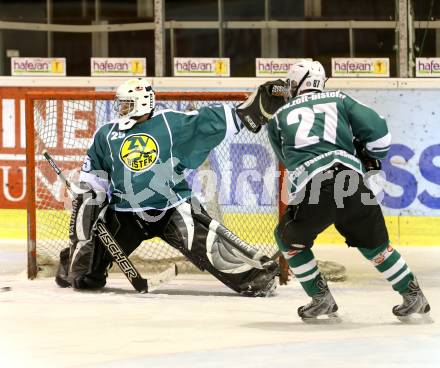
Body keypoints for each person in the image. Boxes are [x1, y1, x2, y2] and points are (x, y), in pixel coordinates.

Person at [55, 77, 280, 296]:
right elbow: (94, 181)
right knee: (84, 278)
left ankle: (253, 275)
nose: (121, 109)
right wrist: (87, 209)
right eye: (121, 104)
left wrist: (247, 112)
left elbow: (205, 123)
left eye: (127, 104)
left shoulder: (169, 123)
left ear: (142, 103)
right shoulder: (106, 134)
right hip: (125, 213)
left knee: (210, 247)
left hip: (172, 206)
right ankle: (71, 260)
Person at [244, 59, 431, 322]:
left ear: (297, 84)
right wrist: (367, 155)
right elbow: (380, 135)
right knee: (377, 246)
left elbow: (287, 160)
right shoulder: (340, 99)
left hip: (319, 185)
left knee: (287, 238)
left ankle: (321, 299)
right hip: (352, 180)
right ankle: (413, 295)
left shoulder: (279, 117)